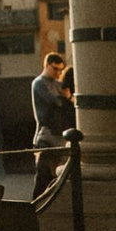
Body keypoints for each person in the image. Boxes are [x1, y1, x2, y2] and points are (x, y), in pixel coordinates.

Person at [32, 47, 77, 197]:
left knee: (54, 180)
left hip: (57, 136)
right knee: (43, 179)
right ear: (47, 65)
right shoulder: (39, 83)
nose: (58, 73)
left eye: (60, 70)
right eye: (55, 69)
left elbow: (67, 102)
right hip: (47, 135)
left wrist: (67, 98)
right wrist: (66, 97)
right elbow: (57, 102)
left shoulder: (57, 84)